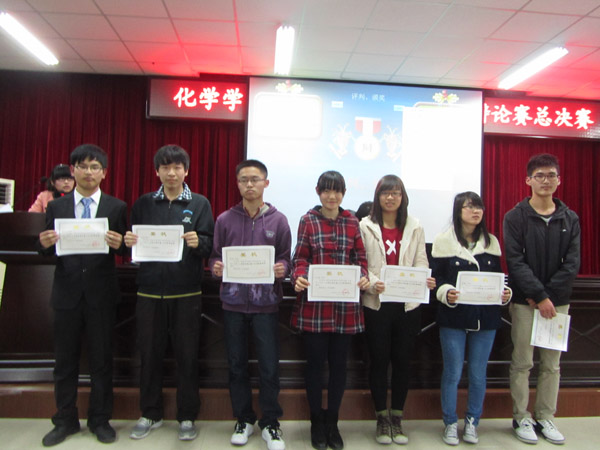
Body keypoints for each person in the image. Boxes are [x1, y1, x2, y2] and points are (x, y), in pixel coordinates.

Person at [37, 144, 127, 447]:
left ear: (104, 173)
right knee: (64, 362)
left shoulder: (116, 207)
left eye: (94, 167)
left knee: (102, 361)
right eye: (83, 166)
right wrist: (44, 243)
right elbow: (46, 249)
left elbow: (126, 247)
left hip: (101, 295)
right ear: (73, 170)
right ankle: (65, 419)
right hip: (66, 295)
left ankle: (100, 420)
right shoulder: (57, 207)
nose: (89, 172)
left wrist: (120, 244)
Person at [124, 145, 214, 442]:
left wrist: (198, 242)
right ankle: (150, 413)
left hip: (186, 292)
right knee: (149, 355)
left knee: (187, 356)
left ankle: (187, 416)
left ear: (186, 170)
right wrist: (129, 241)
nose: (171, 173)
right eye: (166, 167)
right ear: (157, 171)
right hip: (149, 292)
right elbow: (133, 242)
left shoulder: (199, 203)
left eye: (177, 167)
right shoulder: (144, 203)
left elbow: (209, 244)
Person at [209, 159, 291, 450]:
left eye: (255, 179)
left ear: (266, 183)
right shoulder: (224, 219)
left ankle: (270, 422)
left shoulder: (279, 220)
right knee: (236, 365)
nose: (249, 184)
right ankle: (243, 419)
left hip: (266, 305)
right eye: (244, 180)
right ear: (238, 184)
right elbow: (214, 256)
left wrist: (282, 268)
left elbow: (285, 258)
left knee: (269, 366)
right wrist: (216, 267)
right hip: (233, 303)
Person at [503, 153, 580, 445]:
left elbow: (572, 263)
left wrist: (548, 298)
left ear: (559, 180)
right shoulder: (515, 217)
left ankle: (546, 416)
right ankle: (521, 417)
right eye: (540, 176)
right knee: (522, 362)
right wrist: (537, 295)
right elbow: (515, 261)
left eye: (551, 175)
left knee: (551, 364)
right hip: (525, 302)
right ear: (528, 180)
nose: (546, 180)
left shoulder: (570, 218)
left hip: (557, 304)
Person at [291, 170, 369, 450]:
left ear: (343, 194)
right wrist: (299, 276)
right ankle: (316, 421)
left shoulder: (352, 222)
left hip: (345, 307)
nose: (331, 196)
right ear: (318, 192)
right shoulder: (308, 220)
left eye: (337, 191)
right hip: (315, 306)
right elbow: (300, 258)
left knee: (338, 367)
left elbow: (360, 258)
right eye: (326, 190)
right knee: (314, 366)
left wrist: (363, 276)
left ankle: (333, 422)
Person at [359, 175, 435, 445]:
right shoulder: (365, 225)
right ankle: (381, 417)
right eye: (385, 193)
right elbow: (360, 262)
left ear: (403, 197)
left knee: (403, 361)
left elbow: (421, 260)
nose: (390, 198)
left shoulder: (415, 225)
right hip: (377, 304)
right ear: (377, 196)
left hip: (407, 305)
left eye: (396, 193)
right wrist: (372, 283)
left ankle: (397, 417)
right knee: (379, 361)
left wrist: (424, 279)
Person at [431, 191, 511, 446]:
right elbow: (436, 279)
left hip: (485, 318)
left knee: (478, 373)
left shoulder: (491, 242)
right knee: (453, 372)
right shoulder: (443, 241)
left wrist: (505, 293)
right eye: (469, 207)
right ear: (458, 211)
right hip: (453, 317)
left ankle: (473, 421)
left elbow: (499, 277)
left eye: (479, 207)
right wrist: (446, 292)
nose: (476, 212)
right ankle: (450, 422)